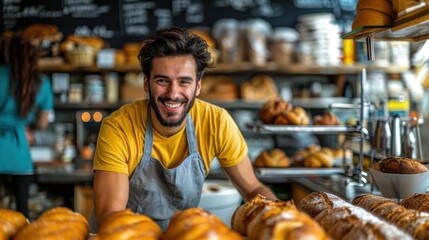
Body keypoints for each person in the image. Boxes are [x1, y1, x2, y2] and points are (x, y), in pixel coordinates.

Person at [89, 26, 277, 232]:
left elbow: (253, 189)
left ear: (198, 87)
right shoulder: (118, 127)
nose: (173, 93)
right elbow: (111, 218)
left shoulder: (216, 122)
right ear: (146, 83)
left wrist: (281, 222)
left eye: (184, 82)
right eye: (162, 80)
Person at [0, 33, 54, 218]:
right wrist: (29, 127)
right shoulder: (41, 83)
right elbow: (42, 122)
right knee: (22, 214)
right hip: (19, 156)